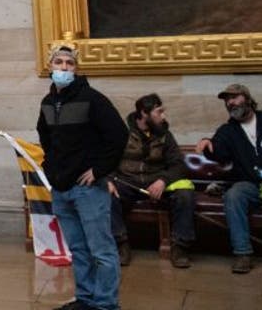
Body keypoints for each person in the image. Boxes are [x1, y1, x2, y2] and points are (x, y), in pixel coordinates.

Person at [36, 43, 127, 310]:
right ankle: (86, 299)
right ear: (50, 66)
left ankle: (106, 304)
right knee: (78, 249)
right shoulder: (48, 102)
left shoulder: (93, 99)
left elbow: (118, 136)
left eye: (69, 63)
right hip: (61, 187)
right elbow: (46, 137)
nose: (64, 67)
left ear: (76, 68)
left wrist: (99, 170)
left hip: (88, 188)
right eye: (59, 62)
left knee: (102, 251)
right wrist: (50, 167)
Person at [194, 83, 262, 274]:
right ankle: (243, 254)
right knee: (234, 195)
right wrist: (207, 143)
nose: (230, 102)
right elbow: (218, 150)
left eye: (234, 97)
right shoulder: (228, 131)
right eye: (227, 100)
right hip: (252, 186)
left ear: (248, 98)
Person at [107, 93, 195, 268]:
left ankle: (180, 246)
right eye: (159, 112)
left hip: (157, 182)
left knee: (185, 195)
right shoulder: (121, 133)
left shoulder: (165, 135)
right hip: (127, 181)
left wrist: (163, 180)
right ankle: (120, 244)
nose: (163, 116)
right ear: (144, 113)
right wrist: (108, 180)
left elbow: (178, 164)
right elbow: (107, 160)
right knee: (106, 195)